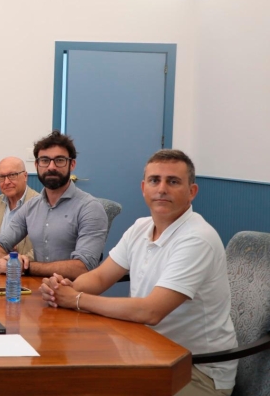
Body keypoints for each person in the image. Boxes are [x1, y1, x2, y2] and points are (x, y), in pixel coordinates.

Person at [39, 149, 237, 396]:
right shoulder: (141, 227)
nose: (162, 188)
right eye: (155, 180)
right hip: (146, 351)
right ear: (144, 187)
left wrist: (76, 299)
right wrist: (62, 287)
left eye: (173, 181)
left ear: (192, 192)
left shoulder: (198, 238)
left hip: (195, 371)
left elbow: (151, 311)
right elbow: (100, 277)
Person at [0, 130, 107, 280]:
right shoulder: (31, 206)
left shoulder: (90, 208)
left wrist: (23, 267)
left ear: (72, 164)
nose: (51, 167)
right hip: (37, 290)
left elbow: (83, 267)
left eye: (59, 160)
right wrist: (8, 261)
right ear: (36, 165)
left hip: (73, 295)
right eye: (44, 160)